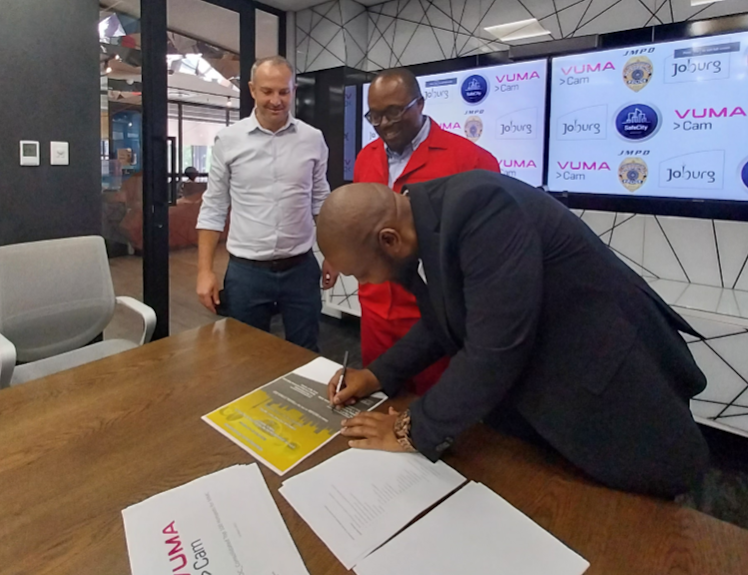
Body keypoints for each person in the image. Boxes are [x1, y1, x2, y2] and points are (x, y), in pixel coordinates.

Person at [316, 171, 709, 497]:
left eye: (360, 273)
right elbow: (446, 320)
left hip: (610, 385)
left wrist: (410, 429)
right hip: (544, 396)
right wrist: (377, 375)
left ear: (389, 239)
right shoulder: (421, 222)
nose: (364, 282)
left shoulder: (481, 209)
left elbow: (494, 348)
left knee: (635, 520)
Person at [355, 68, 500, 395]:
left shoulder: (471, 161)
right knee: (375, 405)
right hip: (375, 313)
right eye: (374, 116)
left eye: (393, 112)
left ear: (420, 104)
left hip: (433, 322)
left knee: (432, 416)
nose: (384, 124)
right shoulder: (366, 158)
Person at [196, 56, 337, 352]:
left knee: (306, 352)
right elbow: (214, 207)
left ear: (294, 90)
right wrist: (204, 271)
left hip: (300, 269)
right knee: (246, 356)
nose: (276, 100)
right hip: (247, 274)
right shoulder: (229, 140)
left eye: (283, 92)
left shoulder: (313, 139)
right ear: (252, 90)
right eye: (267, 91)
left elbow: (320, 201)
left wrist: (333, 255)